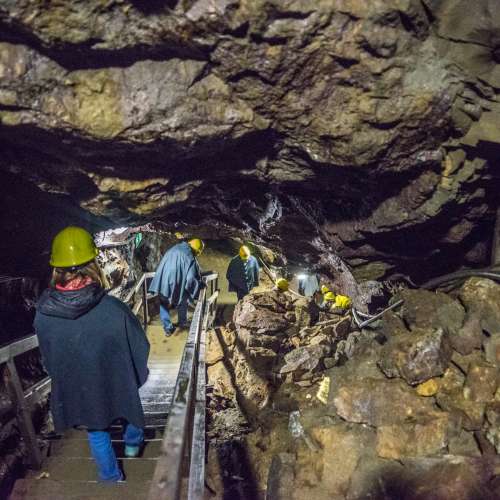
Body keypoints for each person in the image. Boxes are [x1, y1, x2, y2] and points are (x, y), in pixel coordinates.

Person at [34, 226, 150, 482]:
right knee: (129, 407)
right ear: (93, 265)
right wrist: (135, 373)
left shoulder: (43, 314)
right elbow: (140, 347)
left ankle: (110, 479)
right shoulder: (113, 309)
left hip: (82, 387)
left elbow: (48, 357)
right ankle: (132, 448)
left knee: (97, 429)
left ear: (56, 270)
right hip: (116, 378)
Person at [149, 238, 204, 335]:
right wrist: (199, 285)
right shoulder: (190, 257)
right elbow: (191, 278)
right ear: (196, 250)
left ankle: (168, 327)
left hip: (163, 280)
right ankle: (182, 322)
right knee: (183, 300)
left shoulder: (175, 248)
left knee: (163, 303)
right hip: (177, 283)